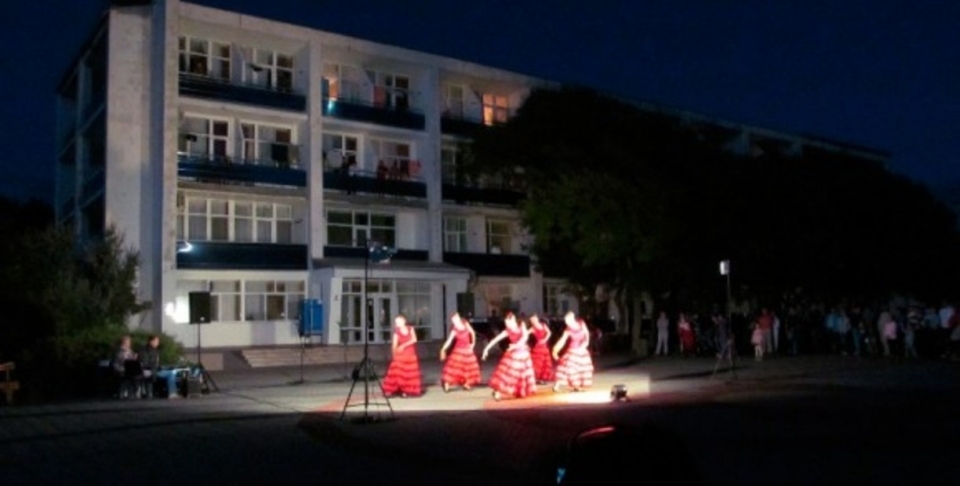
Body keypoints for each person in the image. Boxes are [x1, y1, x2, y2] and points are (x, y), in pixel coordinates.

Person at [482, 312, 536, 401]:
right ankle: (498, 391)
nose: (507, 325)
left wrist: (516, 345)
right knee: (509, 374)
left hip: (523, 352)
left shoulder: (521, 325)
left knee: (521, 374)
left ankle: (519, 391)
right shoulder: (507, 331)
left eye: (508, 323)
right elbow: (496, 339)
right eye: (506, 323)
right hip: (515, 354)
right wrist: (486, 349)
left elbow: (525, 337)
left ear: (513, 320)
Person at [552, 312, 594, 393]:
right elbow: (562, 340)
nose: (567, 323)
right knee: (567, 368)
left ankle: (576, 386)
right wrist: (555, 350)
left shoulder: (581, 323)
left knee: (581, 370)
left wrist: (586, 342)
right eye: (566, 321)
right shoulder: (568, 330)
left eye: (568, 321)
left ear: (572, 319)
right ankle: (557, 385)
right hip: (572, 350)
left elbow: (587, 333)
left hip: (582, 350)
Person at [382, 315, 422, 398]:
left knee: (409, 373)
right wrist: (394, 355)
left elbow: (414, 339)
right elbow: (394, 345)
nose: (397, 324)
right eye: (396, 322)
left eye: (398, 322)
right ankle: (396, 390)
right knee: (399, 373)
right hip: (401, 355)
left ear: (404, 321)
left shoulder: (410, 328)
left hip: (410, 353)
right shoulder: (397, 332)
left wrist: (403, 345)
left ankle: (407, 390)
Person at [439, 312, 480, 392]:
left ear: (458, 318)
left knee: (468, 368)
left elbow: (472, 332)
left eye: (456, 319)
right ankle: (447, 383)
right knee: (454, 368)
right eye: (453, 320)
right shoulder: (454, 330)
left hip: (467, 349)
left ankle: (466, 383)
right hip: (458, 351)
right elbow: (449, 341)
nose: (455, 321)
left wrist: (473, 343)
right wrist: (443, 348)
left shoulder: (465, 324)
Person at [529, 314, 554, 384]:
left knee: (545, 363)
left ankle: (543, 378)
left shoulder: (543, 325)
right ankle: (537, 379)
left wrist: (545, 339)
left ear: (537, 319)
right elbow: (525, 334)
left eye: (534, 319)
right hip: (538, 347)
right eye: (532, 320)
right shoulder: (532, 328)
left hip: (544, 347)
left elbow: (549, 333)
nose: (533, 321)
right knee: (537, 363)